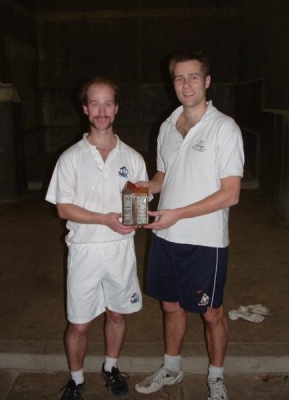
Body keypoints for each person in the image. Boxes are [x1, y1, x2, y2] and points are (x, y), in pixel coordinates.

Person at [135, 51, 244, 400]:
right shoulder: (167, 126)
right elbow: (164, 175)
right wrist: (142, 189)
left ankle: (215, 376)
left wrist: (178, 213)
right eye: (180, 78)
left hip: (205, 240)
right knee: (170, 306)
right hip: (165, 235)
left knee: (211, 313)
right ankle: (171, 367)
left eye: (193, 77)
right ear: (173, 84)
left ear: (207, 81)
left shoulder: (224, 128)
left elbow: (231, 194)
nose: (186, 84)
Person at [46, 77, 149, 399]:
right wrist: (103, 218)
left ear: (116, 109)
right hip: (84, 251)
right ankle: (76, 379)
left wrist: (136, 222)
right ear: (85, 108)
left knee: (117, 314)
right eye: (95, 104)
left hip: (120, 250)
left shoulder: (132, 158)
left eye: (107, 104)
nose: (101, 111)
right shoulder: (71, 158)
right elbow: (63, 208)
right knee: (79, 323)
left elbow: (138, 204)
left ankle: (110, 367)